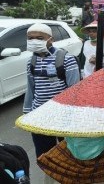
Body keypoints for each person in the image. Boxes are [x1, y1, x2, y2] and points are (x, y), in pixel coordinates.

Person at [23, 23, 80, 158]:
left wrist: (74, 116)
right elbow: (31, 88)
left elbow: (75, 89)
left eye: (39, 38)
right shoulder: (31, 61)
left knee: (67, 153)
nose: (34, 41)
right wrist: (27, 112)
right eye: (30, 38)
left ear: (51, 39)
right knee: (44, 154)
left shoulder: (66, 59)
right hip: (39, 115)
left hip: (63, 116)